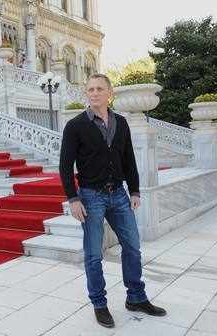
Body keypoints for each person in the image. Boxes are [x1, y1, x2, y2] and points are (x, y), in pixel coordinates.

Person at [59, 73, 166, 328]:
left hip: (119, 195)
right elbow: (65, 166)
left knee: (133, 249)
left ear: (110, 93)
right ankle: (99, 303)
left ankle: (136, 298)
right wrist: (73, 199)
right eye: (90, 89)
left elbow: (128, 158)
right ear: (86, 93)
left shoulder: (121, 122)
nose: (94, 93)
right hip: (90, 197)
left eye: (99, 89)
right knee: (94, 254)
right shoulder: (75, 125)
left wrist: (136, 191)